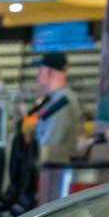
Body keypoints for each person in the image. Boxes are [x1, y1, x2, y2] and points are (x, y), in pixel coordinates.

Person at [29, 51, 85, 201]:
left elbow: (51, 140)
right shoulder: (54, 98)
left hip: (55, 173)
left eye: (40, 69)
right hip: (50, 171)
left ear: (50, 71)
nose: (37, 74)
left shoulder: (63, 101)